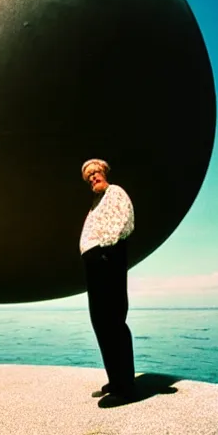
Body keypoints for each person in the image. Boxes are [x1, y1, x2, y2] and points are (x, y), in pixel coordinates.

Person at [79, 158, 136, 401]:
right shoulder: (95, 203)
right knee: (100, 322)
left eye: (96, 173)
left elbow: (124, 221)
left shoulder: (115, 192)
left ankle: (126, 388)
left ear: (104, 173)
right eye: (89, 176)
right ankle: (116, 380)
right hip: (95, 262)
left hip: (107, 257)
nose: (93, 177)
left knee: (113, 321)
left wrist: (105, 253)